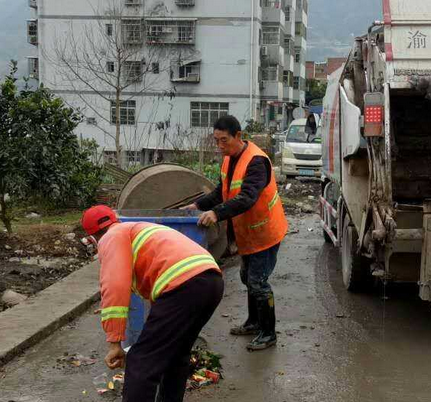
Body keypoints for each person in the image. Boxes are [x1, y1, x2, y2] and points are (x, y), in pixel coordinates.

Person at [82, 205, 224, 402]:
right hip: (211, 282)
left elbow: (114, 286)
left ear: (92, 237)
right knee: (176, 355)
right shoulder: (138, 229)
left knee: (141, 361)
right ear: (114, 219)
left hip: (184, 286)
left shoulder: (111, 237)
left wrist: (115, 342)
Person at [184, 115, 287, 351]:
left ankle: (268, 332)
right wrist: (198, 205)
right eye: (216, 140)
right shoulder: (229, 159)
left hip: (265, 232)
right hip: (248, 233)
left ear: (238, 136)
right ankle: (253, 322)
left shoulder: (257, 162)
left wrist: (216, 214)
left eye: (224, 140)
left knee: (258, 282)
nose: (220, 146)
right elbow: (223, 192)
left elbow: (247, 198)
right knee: (246, 277)